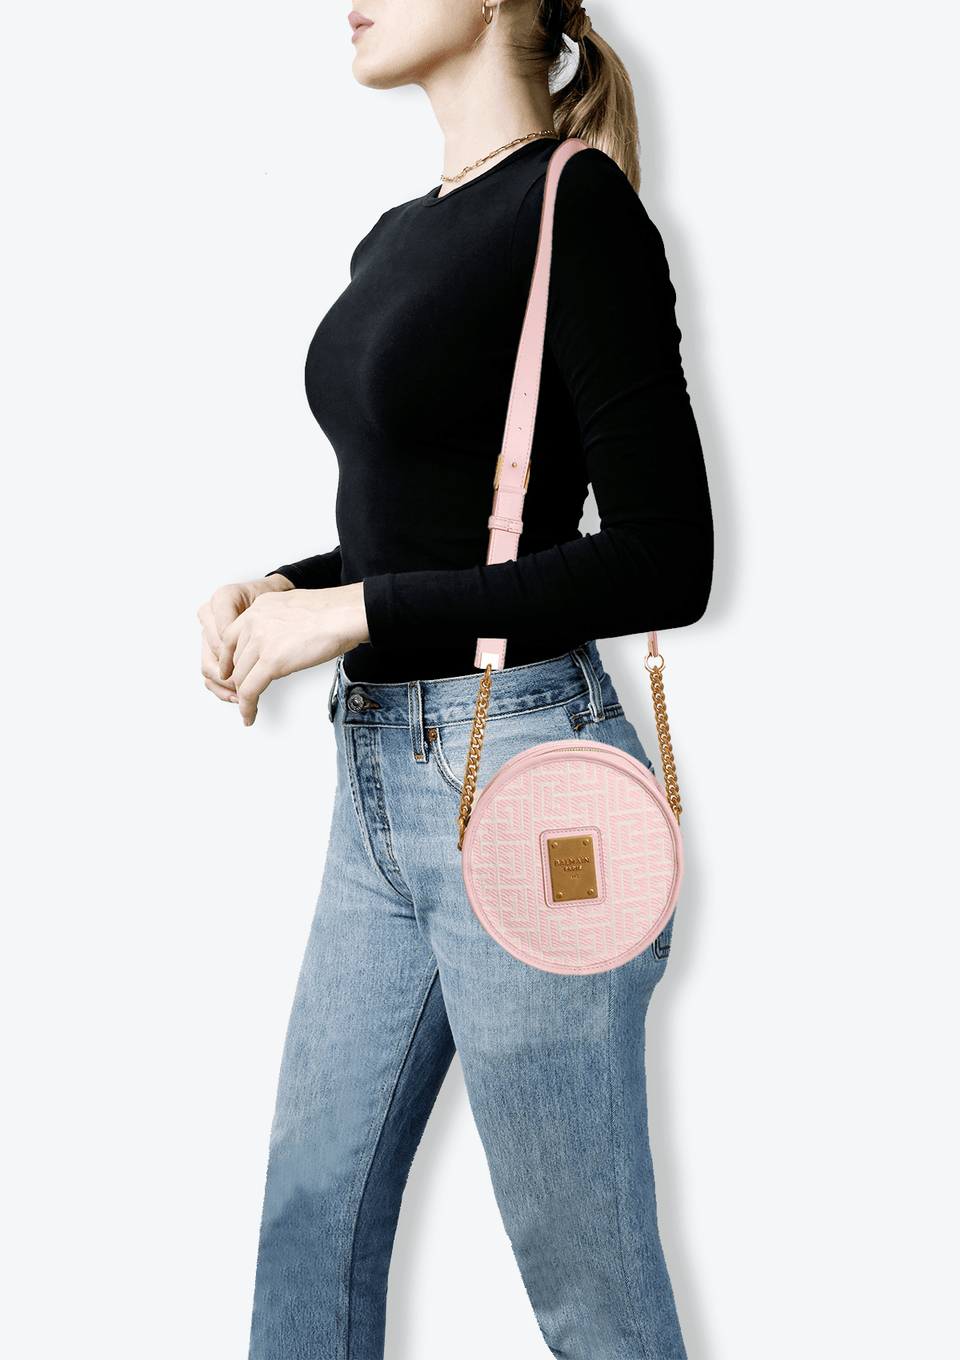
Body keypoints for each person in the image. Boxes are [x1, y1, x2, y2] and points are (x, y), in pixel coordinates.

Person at [197, 2, 713, 1355]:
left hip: (529, 776)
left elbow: (666, 559)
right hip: (378, 781)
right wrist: (290, 589)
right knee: (309, 1225)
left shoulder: (577, 209)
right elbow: (438, 531)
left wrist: (357, 610)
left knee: (587, 1285)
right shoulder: (397, 233)